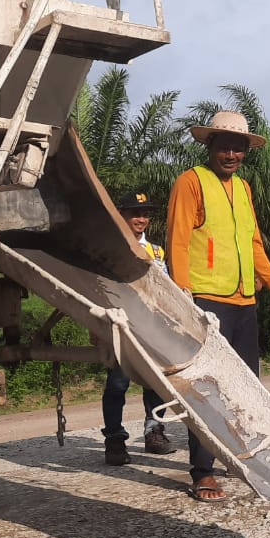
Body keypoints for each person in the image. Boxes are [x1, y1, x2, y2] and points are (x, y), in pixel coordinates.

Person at [166, 111, 270, 502]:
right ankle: (202, 471)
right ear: (209, 146)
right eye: (223, 146)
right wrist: (183, 295)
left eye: (238, 148)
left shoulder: (243, 189)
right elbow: (177, 240)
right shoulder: (191, 183)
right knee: (206, 390)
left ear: (245, 152)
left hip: (245, 300)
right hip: (206, 302)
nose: (231, 154)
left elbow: (253, 243)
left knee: (246, 386)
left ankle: (236, 456)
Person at [101, 192, 174, 466]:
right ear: (121, 214)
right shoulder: (108, 249)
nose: (141, 219)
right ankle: (115, 440)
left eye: (145, 214)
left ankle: (153, 431)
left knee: (155, 382)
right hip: (121, 325)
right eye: (135, 213)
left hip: (151, 326)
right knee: (117, 384)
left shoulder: (156, 252)